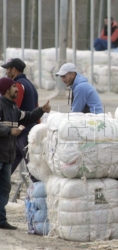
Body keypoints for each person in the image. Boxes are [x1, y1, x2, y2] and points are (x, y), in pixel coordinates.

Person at [0, 77, 51, 230]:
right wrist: (9, 131)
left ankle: (1, 221)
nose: (17, 89)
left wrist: (41, 110)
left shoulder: (14, 108)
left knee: (4, 188)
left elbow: (27, 117)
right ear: (7, 89)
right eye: (14, 87)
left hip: (7, 156)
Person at [1, 58, 39, 182]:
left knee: (33, 168)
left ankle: (38, 192)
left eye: (8, 69)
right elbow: (36, 107)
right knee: (11, 162)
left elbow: (14, 109)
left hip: (22, 133)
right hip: (29, 131)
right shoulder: (30, 85)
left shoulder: (18, 85)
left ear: (14, 70)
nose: (6, 72)